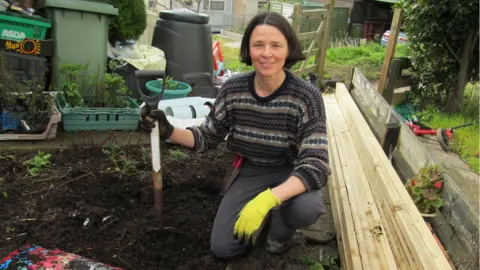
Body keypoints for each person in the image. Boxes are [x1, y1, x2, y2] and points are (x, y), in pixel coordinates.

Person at [140, 11, 331, 260]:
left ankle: (279, 233)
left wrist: (268, 199)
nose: (266, 53)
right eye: (258, 45)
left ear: (288, 50)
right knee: (224, 247)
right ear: (248, 49)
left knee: (307, 208)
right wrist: (168, 130)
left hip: (291, 170)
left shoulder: (306, 97)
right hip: (252, 170)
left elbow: (316, 164)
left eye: (276, 45)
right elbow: (208, 136)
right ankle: (263, 220)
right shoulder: (234, 89)